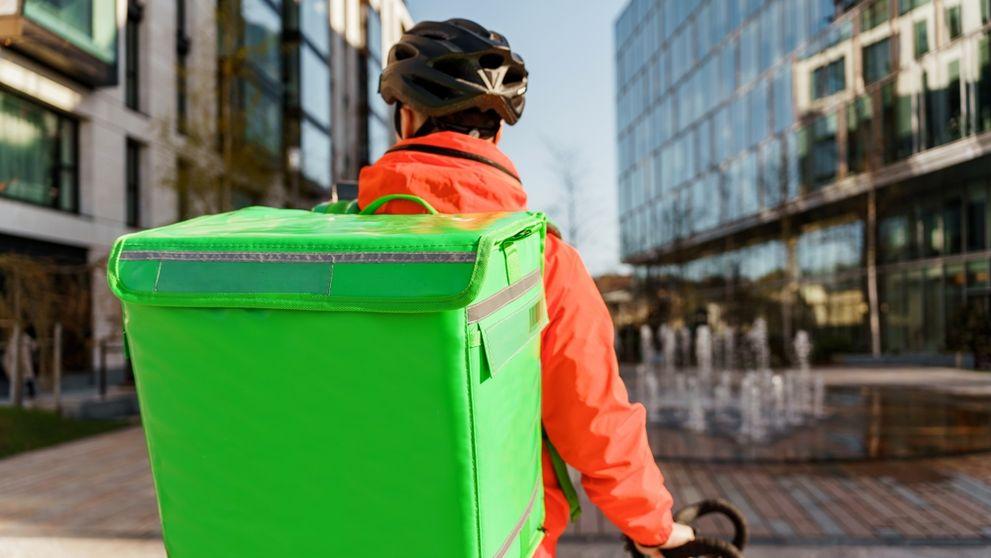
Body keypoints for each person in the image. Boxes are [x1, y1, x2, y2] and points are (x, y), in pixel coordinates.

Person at [360, 19, 694, 557]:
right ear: (497, 132)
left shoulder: (334, 249)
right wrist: (655, 529)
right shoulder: (543, 260)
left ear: (406, 118)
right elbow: (595, 421)